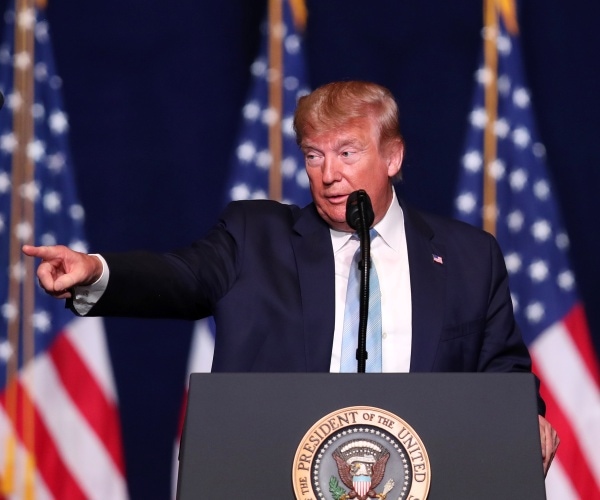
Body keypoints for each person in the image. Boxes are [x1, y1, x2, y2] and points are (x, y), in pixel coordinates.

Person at [22, 80, 558, 474]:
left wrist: (525, 421)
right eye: (314, 156)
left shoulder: (469, 257)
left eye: (348, 153)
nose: (329, 175)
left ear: (392, 156)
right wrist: (97, 271)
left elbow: (502, 370)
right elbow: (181, 276)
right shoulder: (256, 236)